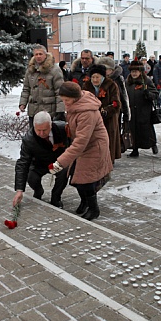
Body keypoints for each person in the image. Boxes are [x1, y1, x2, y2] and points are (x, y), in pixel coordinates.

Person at [50, 82, 113, 220]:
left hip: (94, 147)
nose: (65, 103)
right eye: (63, 100)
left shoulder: (87, 113)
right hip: (84, 146)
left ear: (75, 97)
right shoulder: (76, 105)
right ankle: (85, 202)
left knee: (86, 179)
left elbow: (80, 142)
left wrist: (60, 162)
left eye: (66, 100)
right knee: (77, 177)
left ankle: (94, 209)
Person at [12, 111, 69, 209]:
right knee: (31, 177)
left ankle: (56, 197)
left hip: (57, 162)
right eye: (38, 130)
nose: (42, 133)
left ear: (51, 125)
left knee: (65, 171)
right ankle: (38, 191)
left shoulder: (63, 129)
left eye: (45, 130)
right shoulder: (29, 139)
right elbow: (23, 163)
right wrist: (19, 190)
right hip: (39, 164)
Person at [82, 64, 121, 163]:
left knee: (108, 139)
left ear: (103, 77)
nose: (95, 80)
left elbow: (116, 103)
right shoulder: (87, 86)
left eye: (97, 77)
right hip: (92, 118)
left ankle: (108, 160)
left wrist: (107, 110)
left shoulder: (111, 85)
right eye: (93, 77)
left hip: (108, 118)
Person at [19, 45, 65, 126]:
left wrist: (60, 110)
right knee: (33, 132)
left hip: (49, 111)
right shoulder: (30, 70)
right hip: (33, 111)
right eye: (36, 54)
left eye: (40, 54)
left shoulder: (55, 70)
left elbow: (60, 91)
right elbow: (26, 89)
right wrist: (22, 103)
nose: (38, 56)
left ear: (45, 55)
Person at [97, 56, 131, 154]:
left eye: (106, 69)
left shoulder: (118, 79)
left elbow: (124, 95)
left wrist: (126, 112)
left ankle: (111, 154)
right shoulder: (97, 79)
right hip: (99, 110)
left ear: (111, 70)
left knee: (112, 133)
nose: (104, 71)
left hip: (115, 110)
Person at [125, 60, 159, 157]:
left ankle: (152, 144)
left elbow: (155, 94)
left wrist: (148, 94)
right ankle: (134, 149)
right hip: (132, 110)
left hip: (144, 110)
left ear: (140, 72)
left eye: (136, 71)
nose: (134, 74)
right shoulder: (128, 82)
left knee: (146, 130)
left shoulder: (146, 81)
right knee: (133, 130)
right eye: (132, 71)